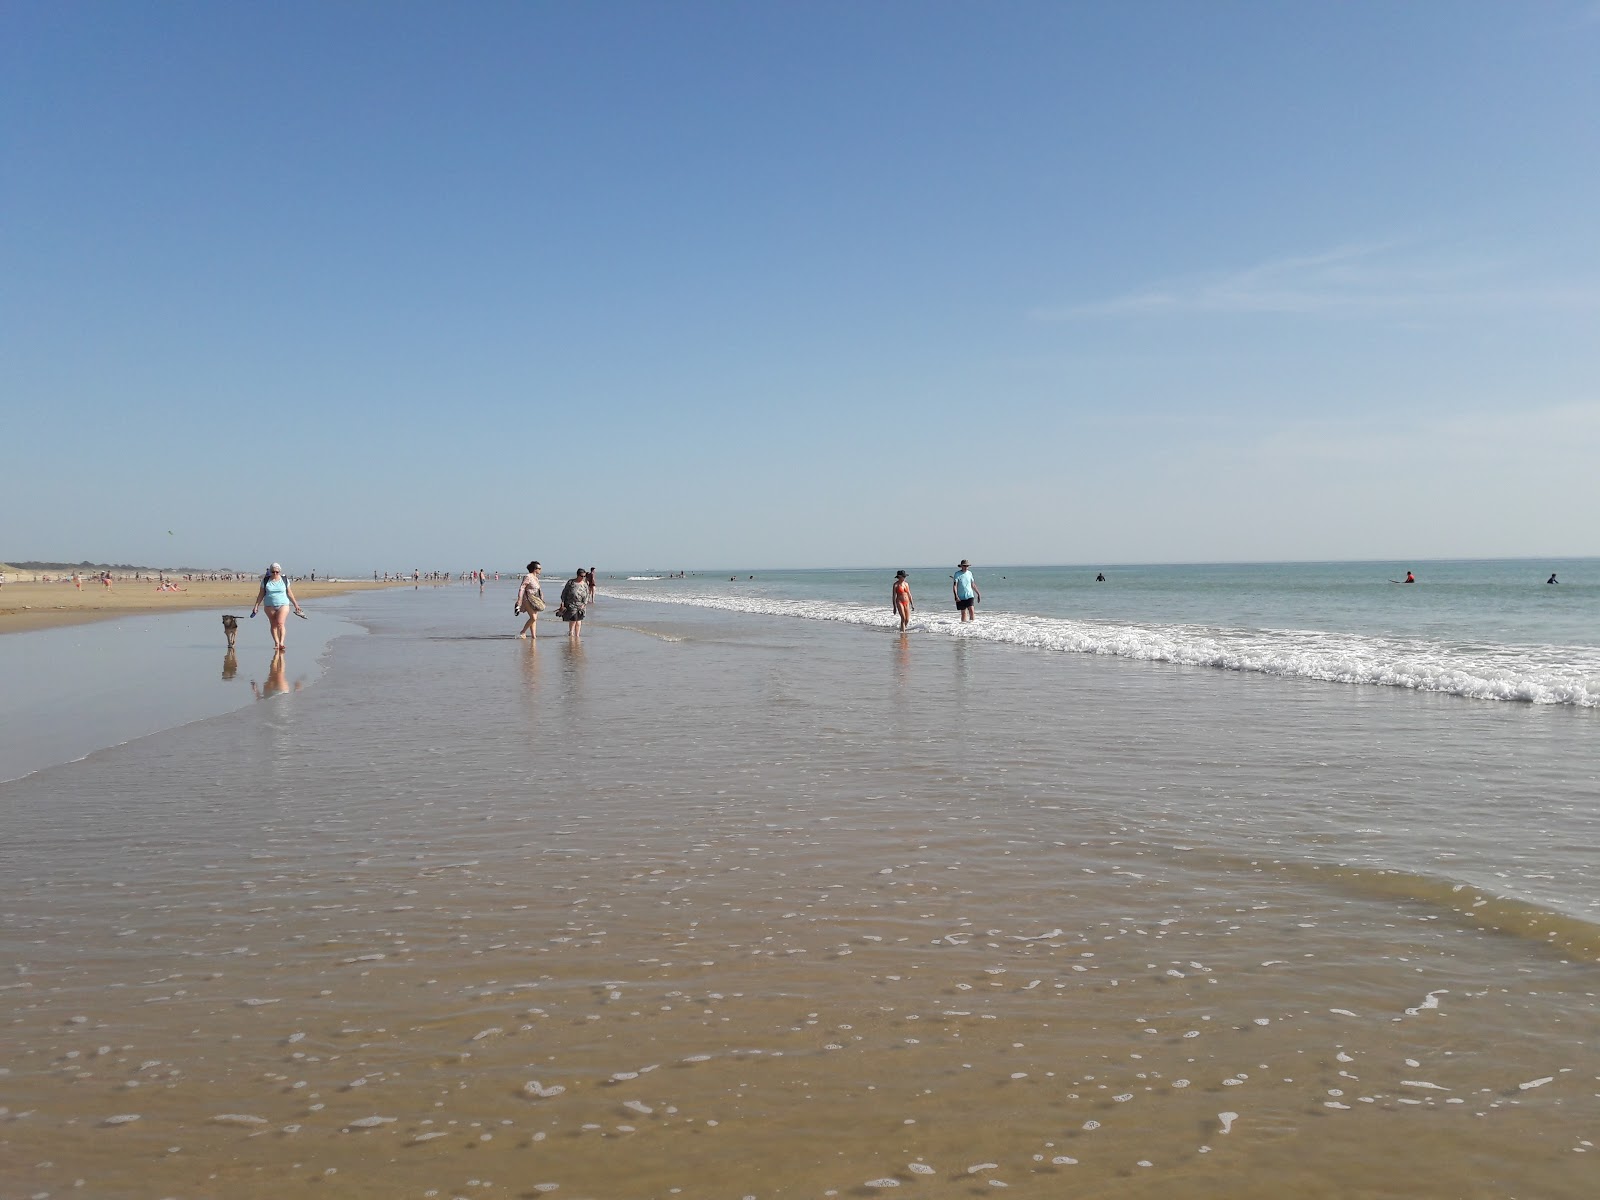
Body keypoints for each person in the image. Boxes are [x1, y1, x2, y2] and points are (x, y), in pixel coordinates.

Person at [251, 562, 303, 653]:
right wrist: (256, 606)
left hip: (283, 604)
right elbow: (261, 594)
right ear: (270, 571)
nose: (275, 573)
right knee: (273, 624)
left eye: (277, 572)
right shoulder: (265, 580)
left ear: (279, 571)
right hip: (269, 605)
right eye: (273, 572)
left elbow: (289, 593)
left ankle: (282, 642)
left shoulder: (284, 580)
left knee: (280, 623)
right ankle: (276, 643)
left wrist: (296, 605)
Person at [559, 568, 591, 642]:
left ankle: (577, 635)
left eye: (584, 576)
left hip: (581, 604)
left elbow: (587, 594)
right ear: (578, 575)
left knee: (579, 620)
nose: (583, 578)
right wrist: (562, 601)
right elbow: (564, 592)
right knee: (573, 619)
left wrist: (585, 603)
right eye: (582, 576)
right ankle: (571, 633)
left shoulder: (585, 584)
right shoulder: (571, 582)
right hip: (571, 604)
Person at [516, 561, 544, 639]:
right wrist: (519, 599)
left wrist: (541, 597)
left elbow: (538, 589)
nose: (540, 570)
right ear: (535, 569)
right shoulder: (528, 576)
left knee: (534, 619)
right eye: (539, 568)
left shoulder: (536, 578)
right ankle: (523, 632)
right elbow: (522, 588)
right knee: (533, 617)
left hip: (536, 600)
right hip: (527, 599)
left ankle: (533, 636)